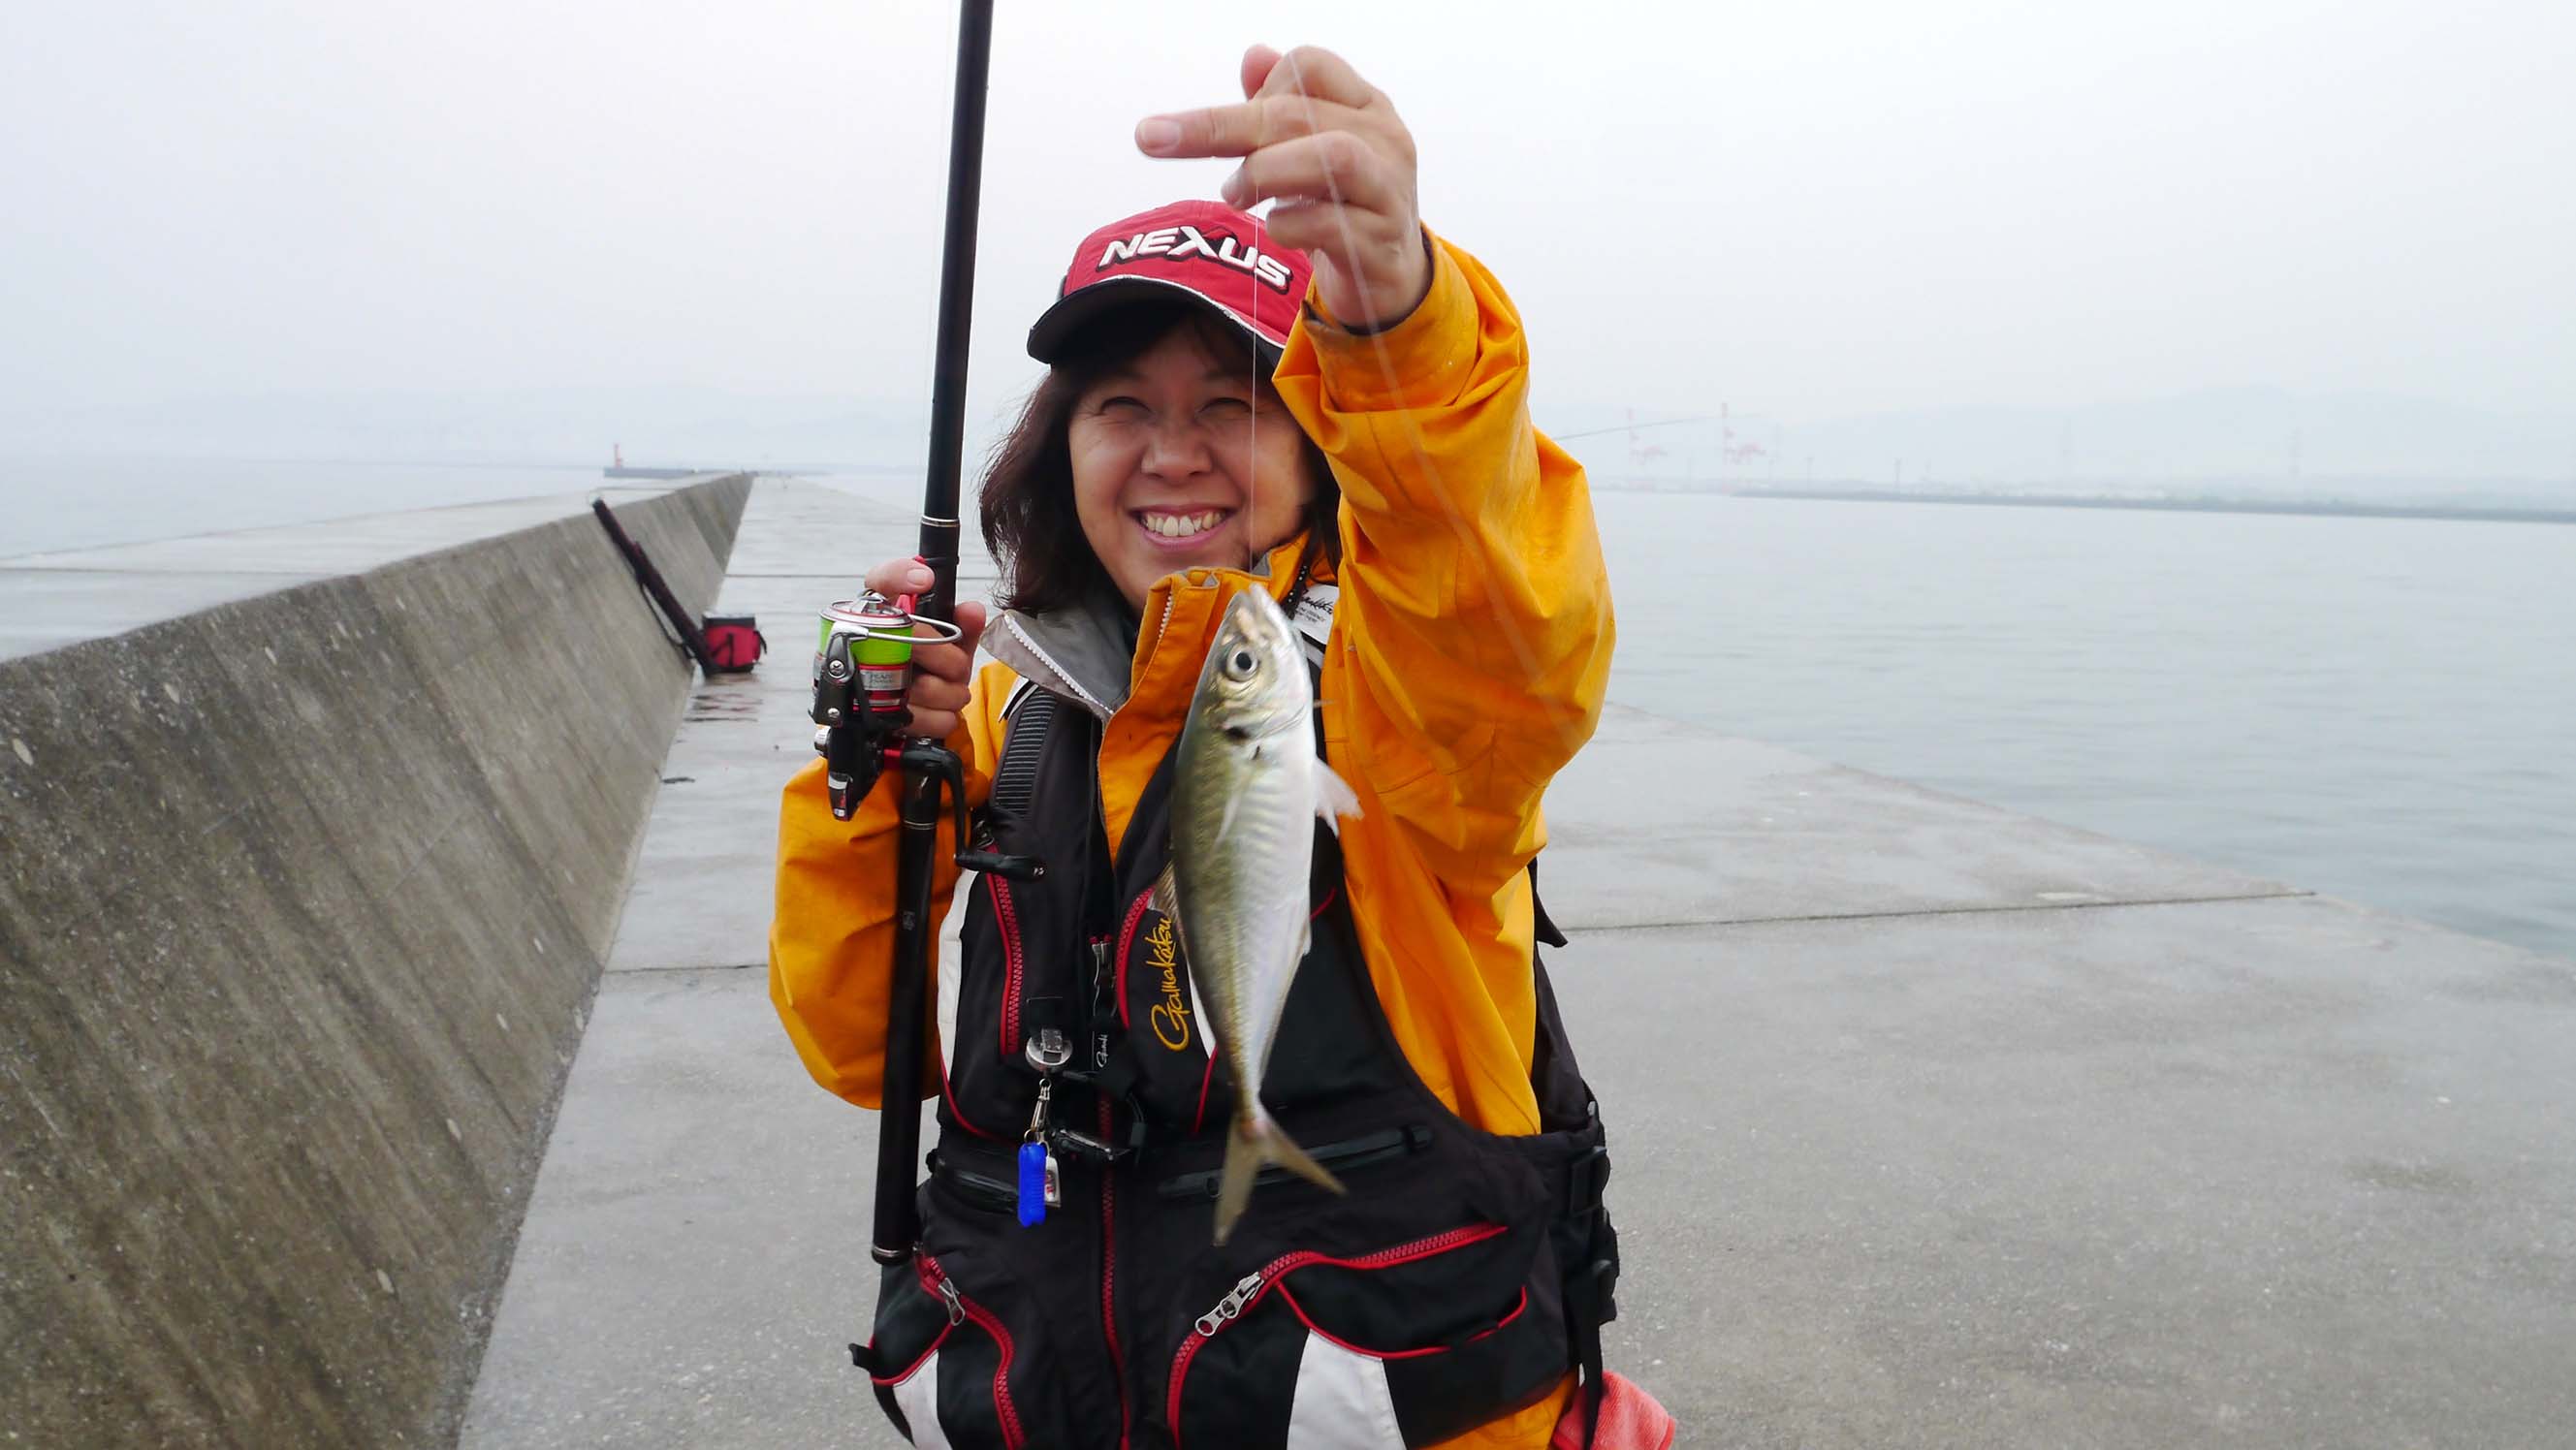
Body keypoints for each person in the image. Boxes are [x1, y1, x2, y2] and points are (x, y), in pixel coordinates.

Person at [772, 43, 1666, 1450]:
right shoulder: (1002, 725)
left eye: (1231, 405)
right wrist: (869, 778)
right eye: (1121, 405)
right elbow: (860, 1053)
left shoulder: (1395, 712)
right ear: (1061, 450)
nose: (1172, 453)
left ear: (1319, 453)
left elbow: (1498, 622)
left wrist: (1401, 328)